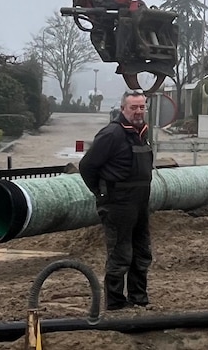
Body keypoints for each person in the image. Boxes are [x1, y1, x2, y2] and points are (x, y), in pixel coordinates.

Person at [78, 89, 154, 311]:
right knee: (121, 255)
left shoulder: (142, 132)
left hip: (140, 203)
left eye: (142, 107)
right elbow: (87, 166)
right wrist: (101, 193)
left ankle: (139, 298)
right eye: (133, 107)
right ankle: (116, 303)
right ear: (122, 109)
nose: (138, 112)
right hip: (118, 204)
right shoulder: (112, 134)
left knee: (142, 253)